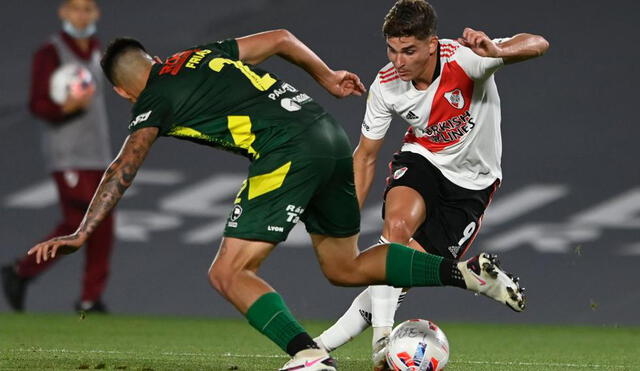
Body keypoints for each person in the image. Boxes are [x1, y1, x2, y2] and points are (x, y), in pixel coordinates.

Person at [27, 28, 525, 371]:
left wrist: (81, 231)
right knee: (344, 266)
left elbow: (123, 166)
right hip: (328, 135)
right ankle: (465, 274)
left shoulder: (153, 96)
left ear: (120, 90)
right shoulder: (202, 55)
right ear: (154, 60)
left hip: (287, 150)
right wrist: (327, 76)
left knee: (227, 272)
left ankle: (308, 356)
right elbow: (282, 38)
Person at [313, 1, 549, 369]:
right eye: (392, 50)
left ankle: (317, 347)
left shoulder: (467, 59)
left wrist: (499, 51)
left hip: (472, 186)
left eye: (408, 51)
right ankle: (382, 345)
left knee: (399, 276)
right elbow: (365, 156)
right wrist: (346, 218)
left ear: (432, 44)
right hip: (423, 160)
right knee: (396, 228)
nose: (398, 61)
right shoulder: (386, 87)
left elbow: (538, 42)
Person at [1, 0, 113, 313]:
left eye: (88, 8)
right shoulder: (50, 53)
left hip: (98, 152)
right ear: (63, 12)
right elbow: (37, 104)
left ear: (96, 13)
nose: (82, 15)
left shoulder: (96, 49)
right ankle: (24, 273)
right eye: (75, 8)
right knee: (86, 218)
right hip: (68, 154)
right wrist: (65, 108)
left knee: (97, 222)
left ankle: (88, 297)